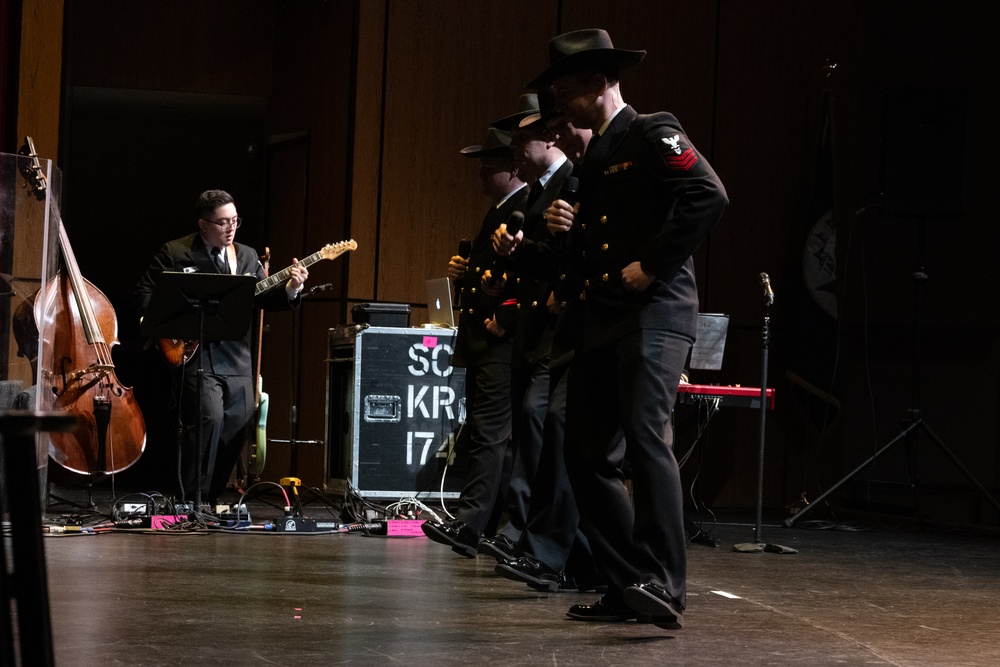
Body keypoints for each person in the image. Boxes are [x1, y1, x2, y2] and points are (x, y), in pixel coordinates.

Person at [527, 29, 728, 628]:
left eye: (565, 90)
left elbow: (708, 194)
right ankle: (626, 584)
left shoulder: (650, 130)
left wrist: (653, 263)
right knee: (585, 450)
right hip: (604, 317)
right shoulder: (592, 163)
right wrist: (563, 232)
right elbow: (590, 249)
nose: (558, 103)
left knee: (645, 437)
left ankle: (664, 584)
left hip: (655, 312)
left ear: (599, 83)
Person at [491, 95, 605, 592]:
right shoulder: (568, 181)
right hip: (561, 330)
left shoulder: (589, 173)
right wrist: (519, 257)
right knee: (560, 440)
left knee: (559, 436)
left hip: (598, 325)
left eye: (560, 127)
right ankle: (582, 561)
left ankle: (551, 550)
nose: (557, 136)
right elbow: (561, 258)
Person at [134, 189, 308, 509]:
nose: (231, 228)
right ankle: (190, 499)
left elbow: (264, 297)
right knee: (208, 419)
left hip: (235, 355)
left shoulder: (246, 255)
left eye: (235, 221)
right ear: (203, 225)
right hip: (195, 353)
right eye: (223, 222)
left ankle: (211, 497)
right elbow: (146, 289)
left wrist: (292, 288)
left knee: (239, 422)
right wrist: (159, 325)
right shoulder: (176, 251)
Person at [421, 128, 528, 557]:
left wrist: (505, 315)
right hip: (485, 340)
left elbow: (524, 275)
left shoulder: (522, 208)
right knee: (492, 437)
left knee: (490, 434)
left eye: (489, 165)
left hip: (501, 340)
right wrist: (466, 272)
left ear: (513, 168)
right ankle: (488, 526)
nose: (480, 174)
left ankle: (471, 525)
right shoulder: (498, 210)